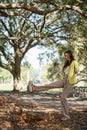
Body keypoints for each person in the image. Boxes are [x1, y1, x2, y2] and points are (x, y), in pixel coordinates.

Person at [28, 49, 79, 121]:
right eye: (65, 55)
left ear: (70, 55)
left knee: (63, 97)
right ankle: (34, 88)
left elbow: (77, 70)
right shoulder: (66, 64)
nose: (65, 56)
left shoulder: (74, 62)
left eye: (66, 55)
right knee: (51, 85)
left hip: (70, 81)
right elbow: (64, 72)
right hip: (64, 79)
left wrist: (76, 71)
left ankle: (66, 116)